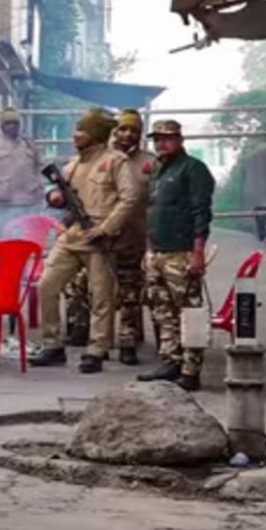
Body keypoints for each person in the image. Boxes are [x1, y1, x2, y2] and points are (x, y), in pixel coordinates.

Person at [29, 108, 143, 374]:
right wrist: (53, 197)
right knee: (46, 285)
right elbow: (56, 193)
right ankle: (52, 344)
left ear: (95, 135)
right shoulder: (72, 165)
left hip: (100, 239)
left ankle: (96, 349)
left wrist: (106, 228)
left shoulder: (116, 161)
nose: (75, 135)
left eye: (81, 130)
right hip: (72, 236)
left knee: (102, 296)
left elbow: (131, 198)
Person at [63, 108, 155, 365]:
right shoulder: (96, 158)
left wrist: (151, 240)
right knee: (87, 288)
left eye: (134, 131)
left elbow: (153, 203)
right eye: (123, 129)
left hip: (131, 237)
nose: (128, 135)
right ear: (114, 132)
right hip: (95, 239)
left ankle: (127, 343)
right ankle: (84, 331)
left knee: (128, 292)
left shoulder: (149, 163)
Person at [137, 120, 215, 391]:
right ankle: (171, 361)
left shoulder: (193, 169)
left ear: (180, 139)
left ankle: (191, 370)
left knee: (189, 312)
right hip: (157, 252)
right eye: (157, 139)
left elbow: (201, 213)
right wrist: (148, 249)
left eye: (167, 138)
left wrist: (198, 252)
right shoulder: (158, 169)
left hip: (181, 252)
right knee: (162, 311)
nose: (161, 143)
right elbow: (151, 210)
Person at [0, 107, 45, 247]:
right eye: (8, 123)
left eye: (16, 123)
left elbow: (39, 167)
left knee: (25, 240)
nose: (12, 126)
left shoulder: (29, 145)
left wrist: (37, 187)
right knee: (1, 239)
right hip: (2, 202)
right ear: (1, 126)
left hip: (27, 201)